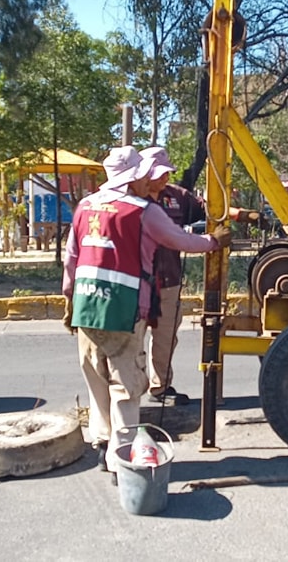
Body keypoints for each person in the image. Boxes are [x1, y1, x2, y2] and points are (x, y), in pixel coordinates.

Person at [61, 146, 231, 473]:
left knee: (96, 376)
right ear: (134, 178)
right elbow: (179, 240)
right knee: (125, 385)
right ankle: (123, 459)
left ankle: (101, 442)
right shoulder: (142, 210)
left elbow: (72, 257)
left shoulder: (85, 206)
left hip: (85, 305)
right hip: (123, 308)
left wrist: (68, 297)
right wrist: (213, 241)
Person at [138, 147, 207, 405]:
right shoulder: (131, 198)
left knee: (165, 337)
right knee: (133, 340)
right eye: (159, 173)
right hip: (137, 282)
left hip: (169, 282)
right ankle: (130, 388)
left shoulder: (177, 197)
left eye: (167, 173)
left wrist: (243, 215)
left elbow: (209, 209)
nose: (165, 178)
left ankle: (161, 387)